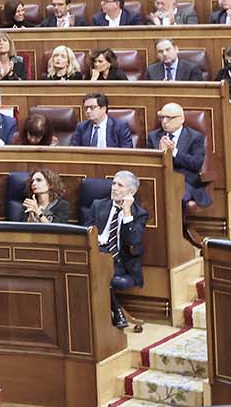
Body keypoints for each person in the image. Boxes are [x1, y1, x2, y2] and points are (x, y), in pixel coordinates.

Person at [83, 170, 147, 329]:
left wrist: (126, 212)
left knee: (99, 270)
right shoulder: (98, 205)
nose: (114, 188)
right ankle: (116, 310)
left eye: (120, 185)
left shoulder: (139, 214)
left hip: (119, 261)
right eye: (113, 184)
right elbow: (84, 232)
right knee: (95, 266)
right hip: (96, 253)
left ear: (131, 192)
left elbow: (133, 240)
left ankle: (114, 313)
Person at [148, 103, 210, 208]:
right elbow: (149, 164)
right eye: (162, 117)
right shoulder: (153, 136)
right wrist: (160, 154)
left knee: (173, 193)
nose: (164, 121)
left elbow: (196, 164)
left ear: (182, 119)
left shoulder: (195, 137)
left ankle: (178, 224)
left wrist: (174, 153)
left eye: (169, 118)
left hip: (185, 182)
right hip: (160, 180)